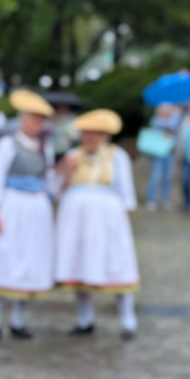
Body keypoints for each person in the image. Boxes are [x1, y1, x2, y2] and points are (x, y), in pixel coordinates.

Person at [54, 109, 140, 339]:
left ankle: (127, 320)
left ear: (105, 135)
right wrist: (63, 172)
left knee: (116, 265)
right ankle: (85, 318)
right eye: (86, 133)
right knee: (79, 265)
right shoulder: (73, 155)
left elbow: (127, 194)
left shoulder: (117, 156)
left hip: (107, 223)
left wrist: (122, 222)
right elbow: (55, 191)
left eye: (96, 133)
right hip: (77, 223)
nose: (90, 138)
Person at [0, 90, 56, 340]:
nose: (37, 123)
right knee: (2, 259)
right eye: (33, 118)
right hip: (11, 207)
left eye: (40, 119)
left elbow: (49, 182)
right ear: (23, 118)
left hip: (36, 211)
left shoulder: (46, 148)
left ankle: (18, 320)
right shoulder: (7, 145)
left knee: (29, 261)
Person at [145, 103, 181, 211]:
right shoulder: (155, 120)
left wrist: (175, 114)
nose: (167, 112)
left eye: (169, 110)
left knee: (168, 177)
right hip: (157, 153)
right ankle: (151, 199)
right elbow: (168, 125)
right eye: (165, 110)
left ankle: (166, 199)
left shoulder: (172, 120)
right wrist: (176, 114)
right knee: (155, 176)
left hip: (169, 153)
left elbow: (173, 126)